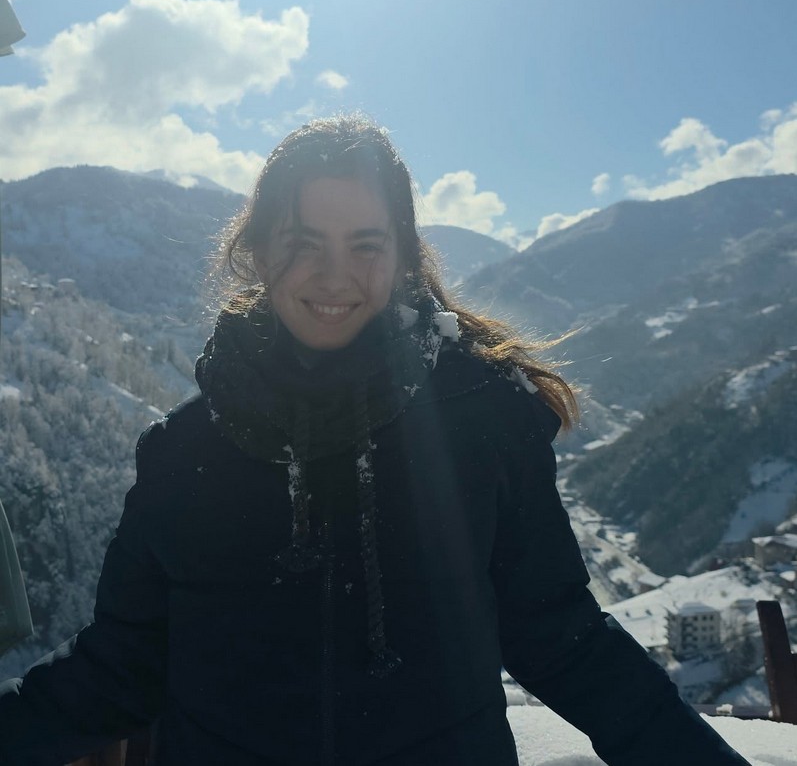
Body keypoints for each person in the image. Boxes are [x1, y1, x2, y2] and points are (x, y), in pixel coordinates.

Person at [0, 115, 749, 765]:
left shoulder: (479, 421)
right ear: (258, 249)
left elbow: (564, 642)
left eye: (365, 245)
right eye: (304, 242)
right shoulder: (183, 453)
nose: (336, 276)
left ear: (402, 255)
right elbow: (122, 666)